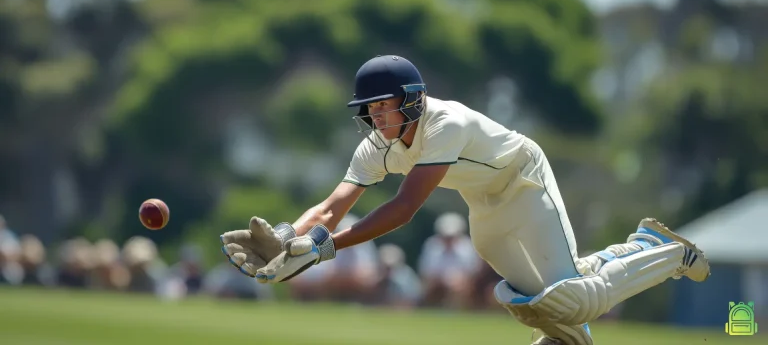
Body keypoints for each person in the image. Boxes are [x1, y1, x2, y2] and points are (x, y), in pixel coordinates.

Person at [219, 55, 710, 345]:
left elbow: (404, 208)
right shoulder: (377, 144)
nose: (375, 118)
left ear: (411, 100)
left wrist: (326, 250)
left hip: (525, 183)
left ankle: (661, 251)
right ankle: (601, 286)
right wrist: (289, 236)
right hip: (485, 206)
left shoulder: (444, 124)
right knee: (544, 307)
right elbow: (331, 206)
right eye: (369, 110)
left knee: (574, 301)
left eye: (383, 107)